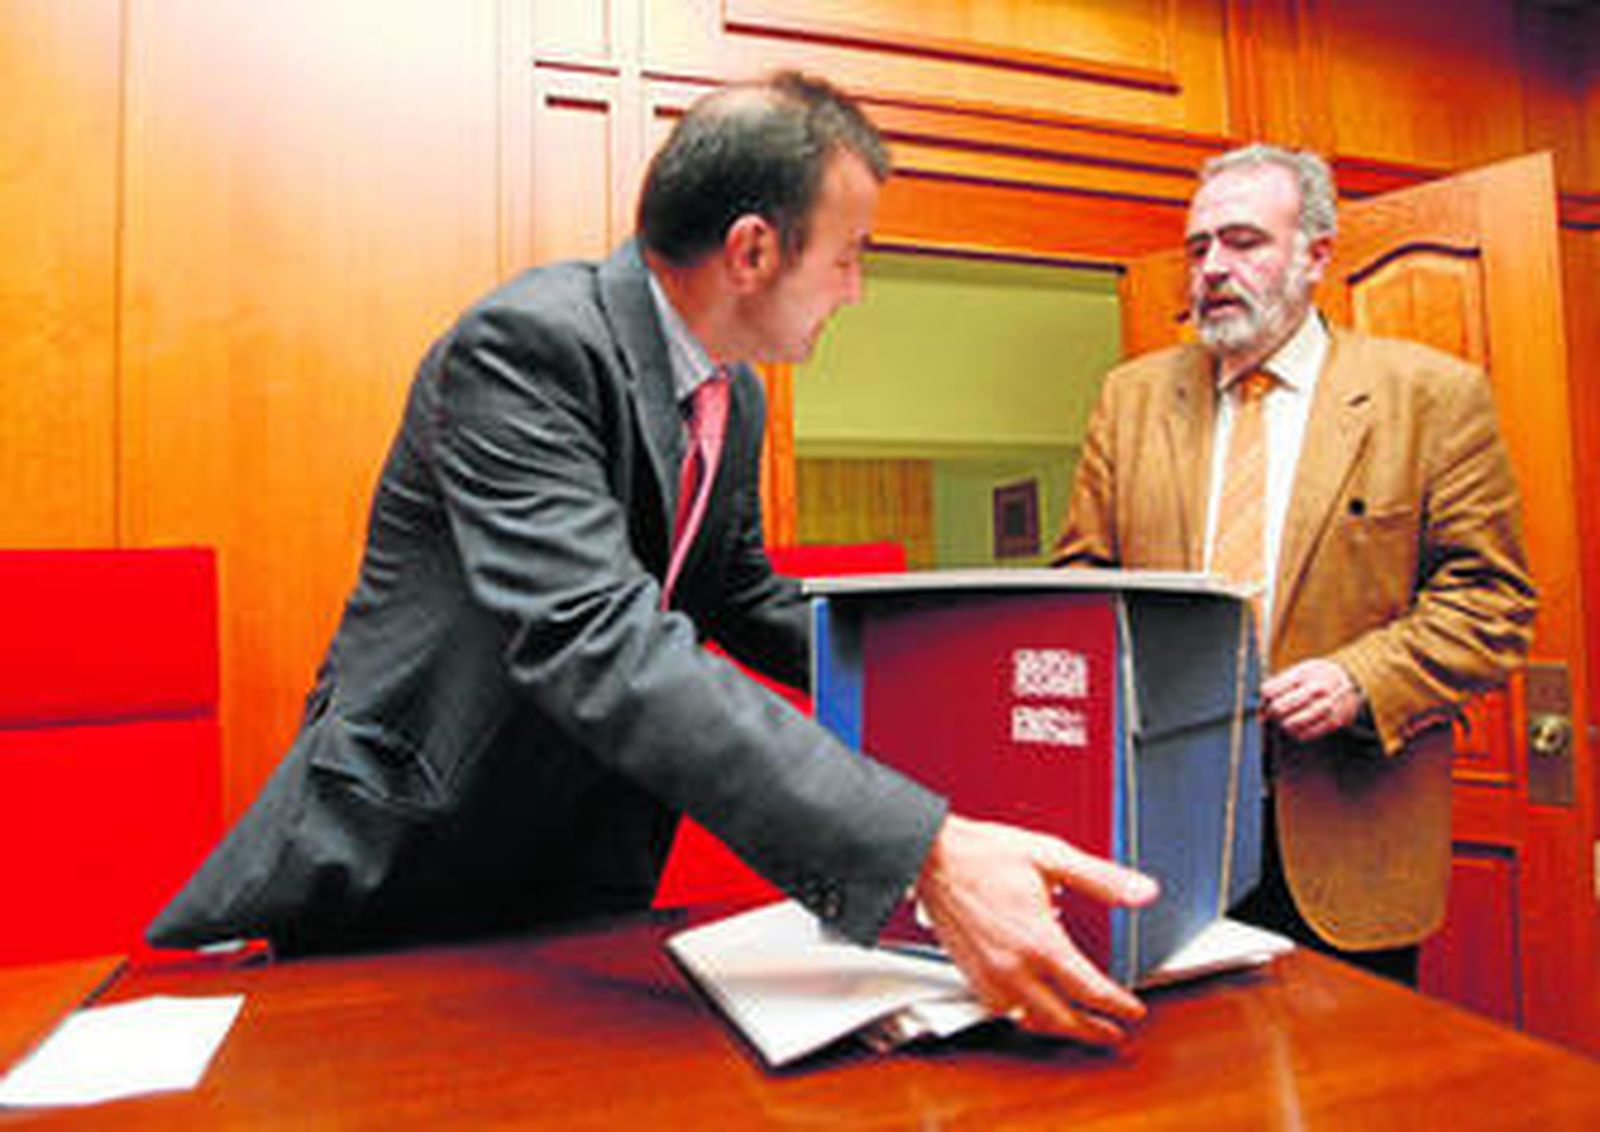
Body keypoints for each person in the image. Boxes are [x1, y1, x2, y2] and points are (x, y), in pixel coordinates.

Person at [149, 71, 1157, 1044]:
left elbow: (739, 593)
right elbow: (598, 638)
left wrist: (951, 663)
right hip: (414, 850)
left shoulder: (735, 393)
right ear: (754, 249)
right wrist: (919, 847)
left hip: (580, 861)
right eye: (850, 255)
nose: (856, 290)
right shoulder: (527, 343)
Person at [1054, 142, 1536, 985]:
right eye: (1199, 247)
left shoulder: (1431, 397)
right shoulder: (1129, 399)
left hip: (1350, 838)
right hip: (1168, 840)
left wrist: (1361, 678)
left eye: (1243, 242)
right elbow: (1082, 586)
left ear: (1317, 254)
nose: (1212, 268)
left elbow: (1491, 602)